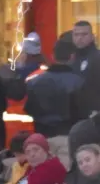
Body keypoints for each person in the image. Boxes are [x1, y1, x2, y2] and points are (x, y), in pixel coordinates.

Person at [27, 37, 85, 165]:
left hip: (41, 137)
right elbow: (82, 112)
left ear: (52, 56)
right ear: (72, 56)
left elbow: (29, 109)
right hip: (68, 136)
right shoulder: (79, 82)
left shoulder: (34, 81)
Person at [73, 20, 100, 115]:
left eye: (84, 34)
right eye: (76, 35)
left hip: (94, 114)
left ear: (92, 36)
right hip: (74, 113)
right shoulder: (71, 59)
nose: (80, 38)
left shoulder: (97, 58)